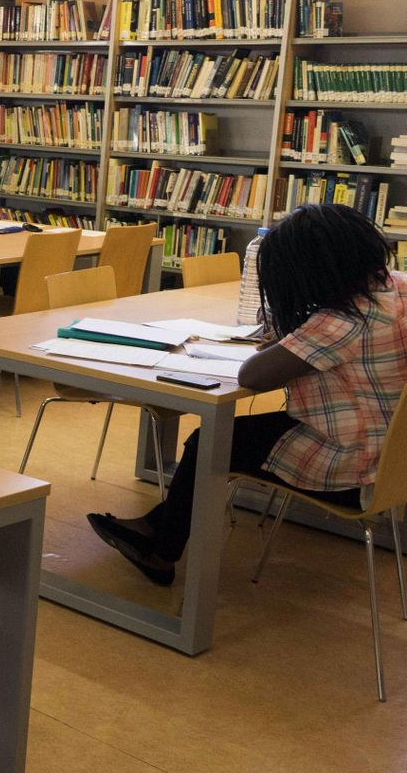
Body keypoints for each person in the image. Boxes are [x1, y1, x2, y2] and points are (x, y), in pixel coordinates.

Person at [88, 204, 407, 586]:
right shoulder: (396, 288)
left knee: (211, 440)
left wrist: (292, 338)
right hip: (394, 450)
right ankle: (155, 525)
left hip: (354, 464)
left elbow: (252, 374)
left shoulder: (339, 322)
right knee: (236, 438)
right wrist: (297, 338)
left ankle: (161, 552)